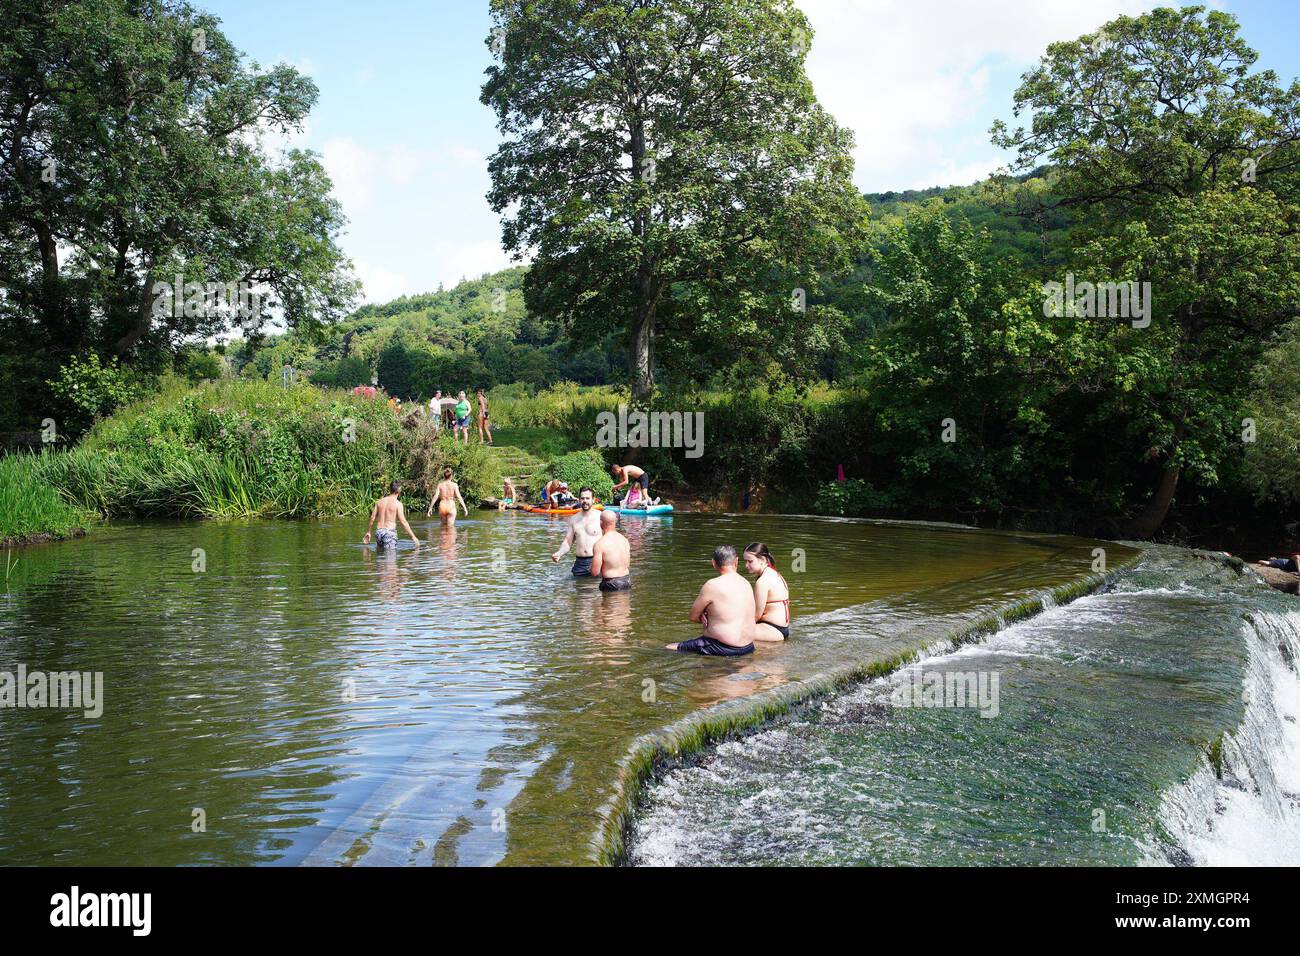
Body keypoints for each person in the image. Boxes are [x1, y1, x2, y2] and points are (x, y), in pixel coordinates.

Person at [668, 545, 756, 656]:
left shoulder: (712, 585)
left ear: (713, 563)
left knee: (669, 648)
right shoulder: (746, 583)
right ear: (736, 561)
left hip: (722, 648)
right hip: (748, 647)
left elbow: (692, 617)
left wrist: (703, 616)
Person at [743, 542, 791, 642]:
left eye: (750, 561)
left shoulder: (762, 581)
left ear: (762, 560)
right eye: (745, 561)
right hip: (781, 628)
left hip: (771, 630)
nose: (746, 565)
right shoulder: (776, 574)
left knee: (732, 631)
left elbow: (757, 615)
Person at [551, 487, 603, 577]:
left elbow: (611, 539)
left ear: (593, 500)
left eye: (587, 498)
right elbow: (568, 541)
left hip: (597, 561)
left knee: (596, 590)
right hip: (580, 563)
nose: (585, 501)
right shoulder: (574, 519)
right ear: (579, 500)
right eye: (582, 498)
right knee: (579, 589)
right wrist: (559, 553)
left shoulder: (601, 517)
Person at [363, 480, 419, 551]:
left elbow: (372, 517)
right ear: (399, 490)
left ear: (390, 489)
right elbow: (403, 522)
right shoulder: (398, 504)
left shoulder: (379, 502)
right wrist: (413, 536)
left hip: (379, 532)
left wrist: (369, 532)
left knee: (380, 557)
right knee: (390, 557)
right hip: (389, 533)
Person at [590, 510, 631, 591]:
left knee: (608, 604)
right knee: (624, 603)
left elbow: (595, 572)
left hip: (611, 584)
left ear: (601, 523)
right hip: (626, 581)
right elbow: (628, 564)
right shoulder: (624, 540)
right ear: (615, 522)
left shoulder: (600, 544)